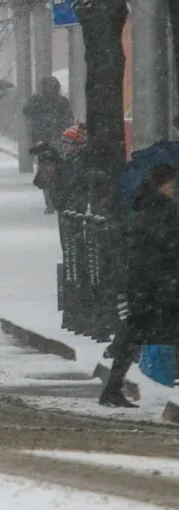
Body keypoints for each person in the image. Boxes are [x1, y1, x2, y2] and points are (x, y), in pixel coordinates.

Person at [98, 162, 179, 407]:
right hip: (157, 286)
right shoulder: (160, 213)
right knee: (137, 332)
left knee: (135, 333)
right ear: (160, 186)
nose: (173, 190)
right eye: (170, 186)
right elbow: (165, 248)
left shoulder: (145, 208)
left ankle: (112, 385)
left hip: (148, 285)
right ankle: (112, 384)